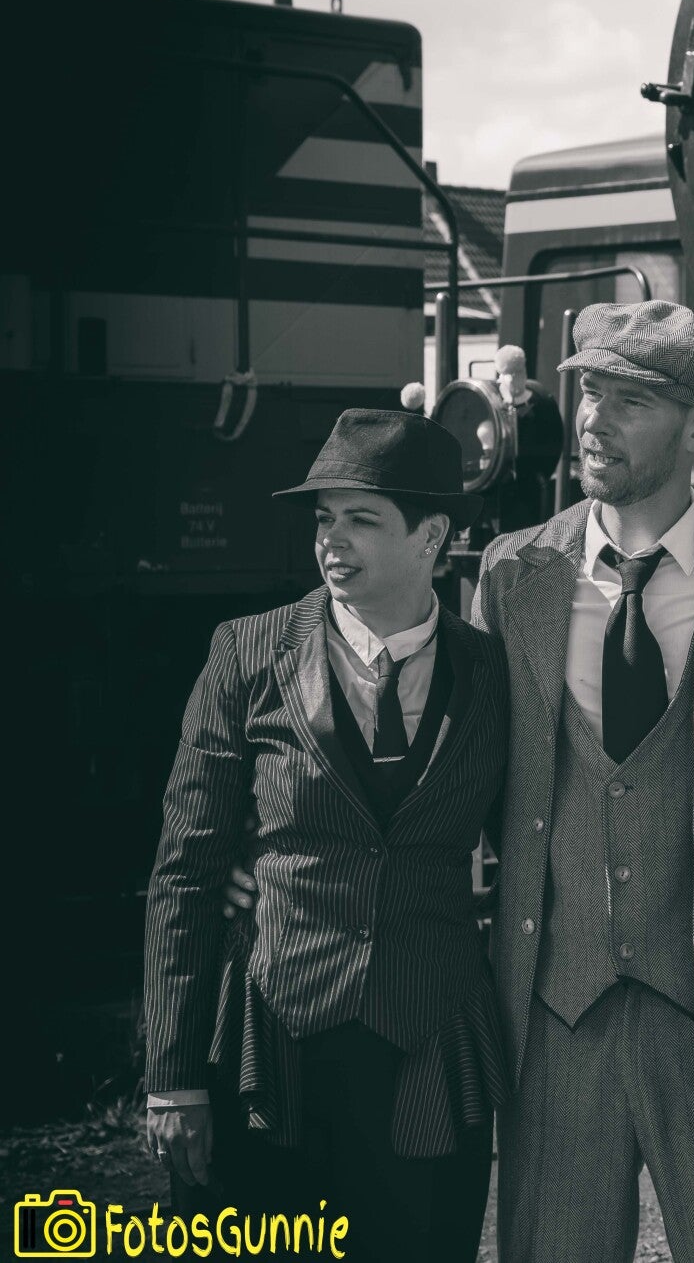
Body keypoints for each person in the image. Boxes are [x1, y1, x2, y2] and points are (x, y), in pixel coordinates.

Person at [472, 300, 694, 1262]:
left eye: (629, 401)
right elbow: (465, 780)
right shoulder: (512, 575)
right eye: (590, 392)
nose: (593, 419)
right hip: (557, 1010)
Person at [144, 408, 505, 1261]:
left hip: (427, 1046)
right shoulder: (246, 652)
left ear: (431, 537)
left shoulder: (493, 672)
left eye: (361, 518)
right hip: (267, 1046)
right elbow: (185, 870)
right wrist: (172, 1075)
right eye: (323, 518)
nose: (331, 541)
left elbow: (532, 835)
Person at [493, 344, 564, 529]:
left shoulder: (541, 402)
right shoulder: (492, 400)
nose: (513, 378)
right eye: (507, 373)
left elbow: (554, 439)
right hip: (497, 482)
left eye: (518, 372)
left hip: (529, 479)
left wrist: (541, 474)